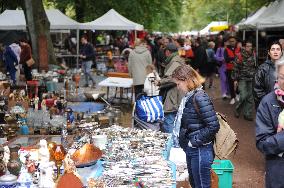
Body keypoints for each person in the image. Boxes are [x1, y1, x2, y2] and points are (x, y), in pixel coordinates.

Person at [172, 65, 219, 188]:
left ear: (186, 80)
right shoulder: (190, 96)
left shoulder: (200, 97)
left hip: (200, 150)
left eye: (178, 84)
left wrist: (194, 141)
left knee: (201, 185)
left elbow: (213, 125)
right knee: (195, 184)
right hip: (193, 149)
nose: (178, 87)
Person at [255, 59, 284, 188]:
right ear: (277, 77)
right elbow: (262, 143)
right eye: (283, 77)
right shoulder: (268, 102)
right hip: (279, 172)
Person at [159, 43, 185, 133]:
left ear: (167, 52)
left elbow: (172, 79)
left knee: (169, 120)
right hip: (177, 92)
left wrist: (160, 82)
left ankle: (170, 144)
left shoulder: (175, 62)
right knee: (174, 120)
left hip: (174, 94)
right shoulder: (177, 59)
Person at [254, 41, 283, 109]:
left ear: (281, 52)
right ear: (269, 53)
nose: (275, 52)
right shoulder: (262, 69)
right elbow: (257, 91)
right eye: (273, 49)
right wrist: (268, 103)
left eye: (278, 49)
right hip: (269, 107)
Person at [233, 41, 256, 121]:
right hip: (242, 79)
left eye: (251, 46)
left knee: (250, 97)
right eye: (248, 46)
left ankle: (247, 114)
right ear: (244, 47)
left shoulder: (253, 55)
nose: (249, 48)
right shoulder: (239, 56)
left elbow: (254, 66)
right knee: (243, 96)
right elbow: (235, 68)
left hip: (251, 78)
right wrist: (235, 80)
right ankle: (238, 110)